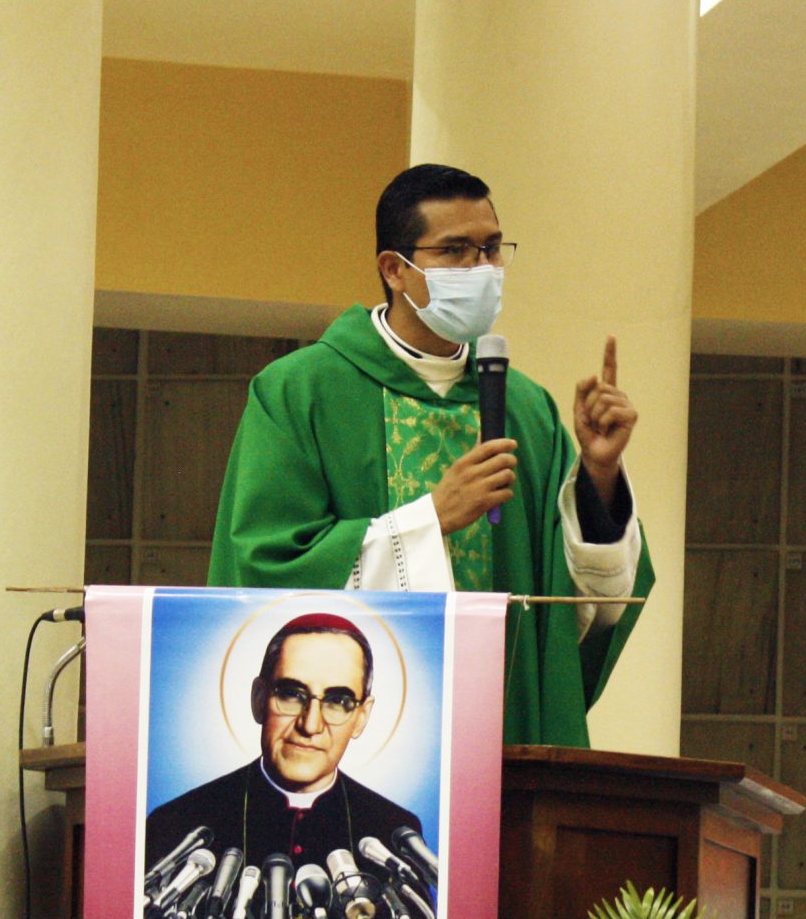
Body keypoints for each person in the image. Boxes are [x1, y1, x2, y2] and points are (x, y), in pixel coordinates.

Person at [205, 163, 651, 746]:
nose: (481, 268)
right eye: (455, 250)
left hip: (502, 733)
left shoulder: (527, 407)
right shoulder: (299, 391)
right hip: (361, 745)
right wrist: (430, 520)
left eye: (492, 248)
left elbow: (566, 603)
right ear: (395, 269)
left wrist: (599, 473)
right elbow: (264, 568)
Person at [142, 614, 426, 919]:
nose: (310, 725)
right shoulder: (179, 824)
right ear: (259, 698)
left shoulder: (393, 832)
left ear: (361, 717)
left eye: (338, 701)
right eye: (291, 694)